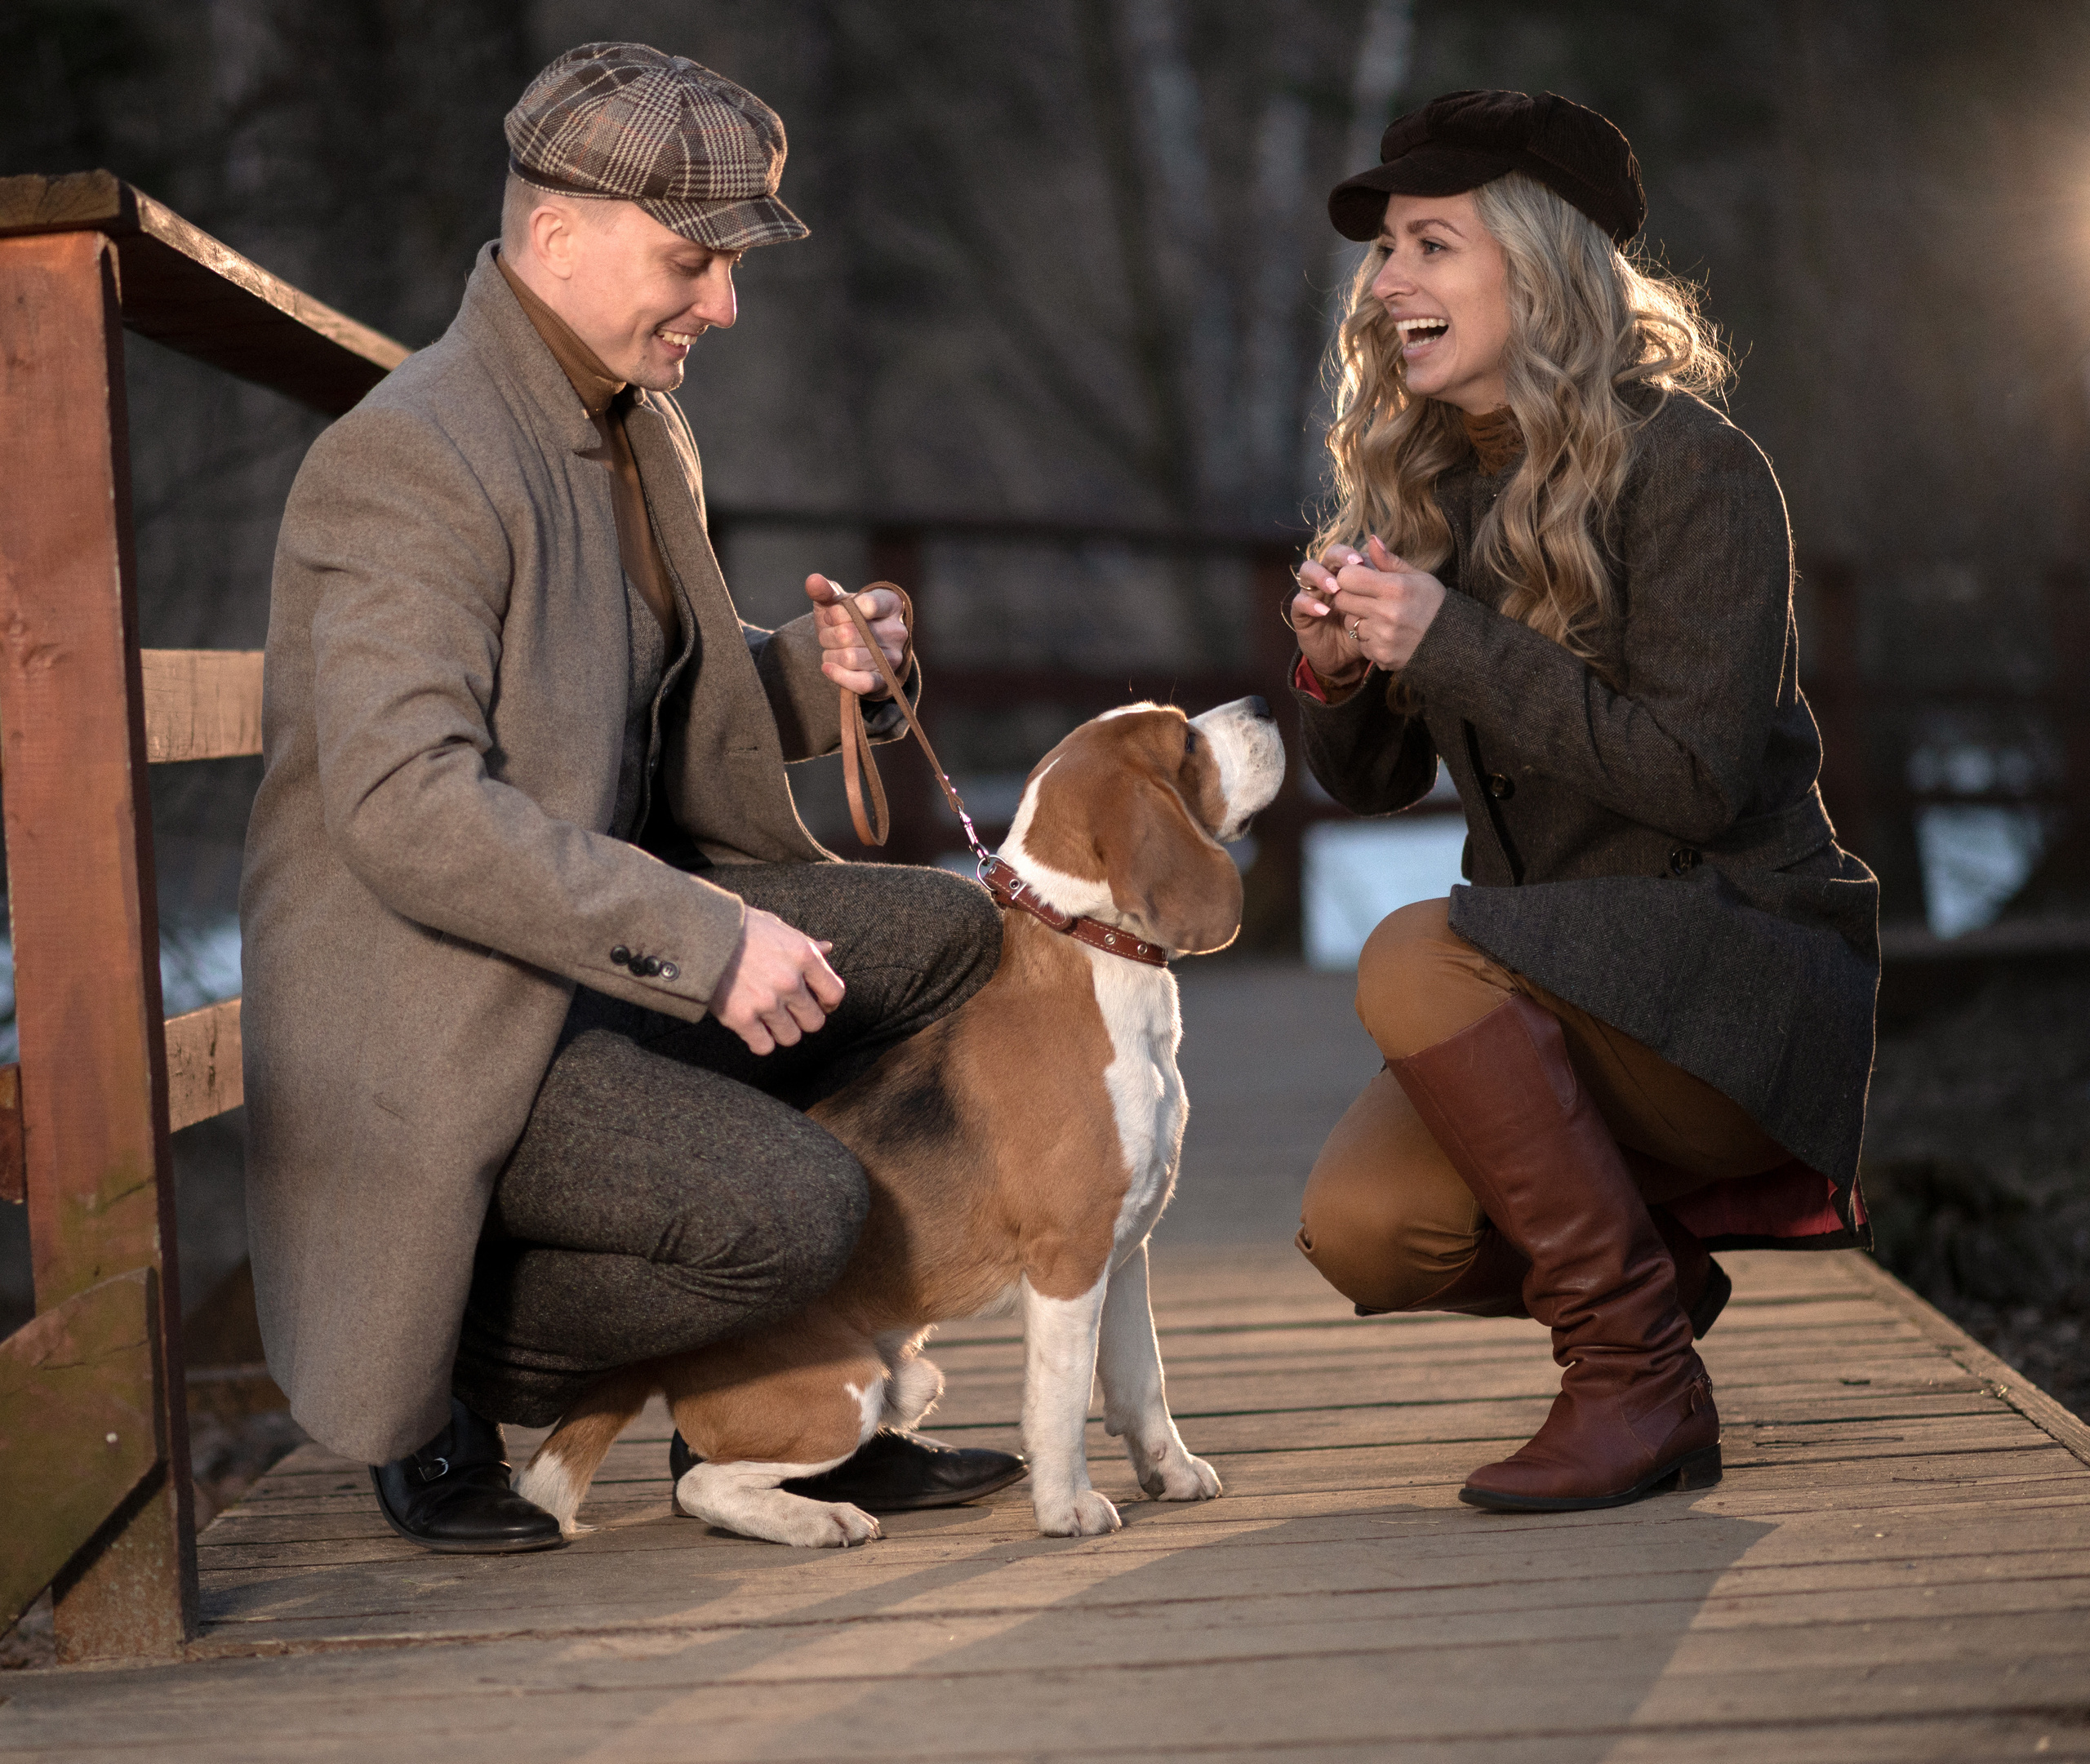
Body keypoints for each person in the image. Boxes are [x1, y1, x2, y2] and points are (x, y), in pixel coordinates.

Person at [240, 42, 1022, 1553]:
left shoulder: (632, 417)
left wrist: (815, 673)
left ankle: (775, 1403)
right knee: (796, 1204)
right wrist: (708, 938)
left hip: (590, 952)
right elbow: (406, 802)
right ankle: (446, 1349)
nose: (723, 305)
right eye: (692, 262)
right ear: (557, 237)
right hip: (453, 1004)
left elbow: (629, 696)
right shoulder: (408, 457)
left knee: (950, 939)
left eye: (731, 266)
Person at [1284, 90, 1879, 1513]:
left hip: (1728, 977)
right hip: (1559, 986)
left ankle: (1634, 1376)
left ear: (1542, 266)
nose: (1387, 283)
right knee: (1367, 1227)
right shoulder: (1430, 479)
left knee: (1411, 949)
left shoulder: (1699, 471)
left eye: (1431, 244)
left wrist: (1448, 640)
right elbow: (1372, 784)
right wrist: (1340, 674)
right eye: (1385, 250)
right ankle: (1647, 1284)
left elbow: (1695, 779)